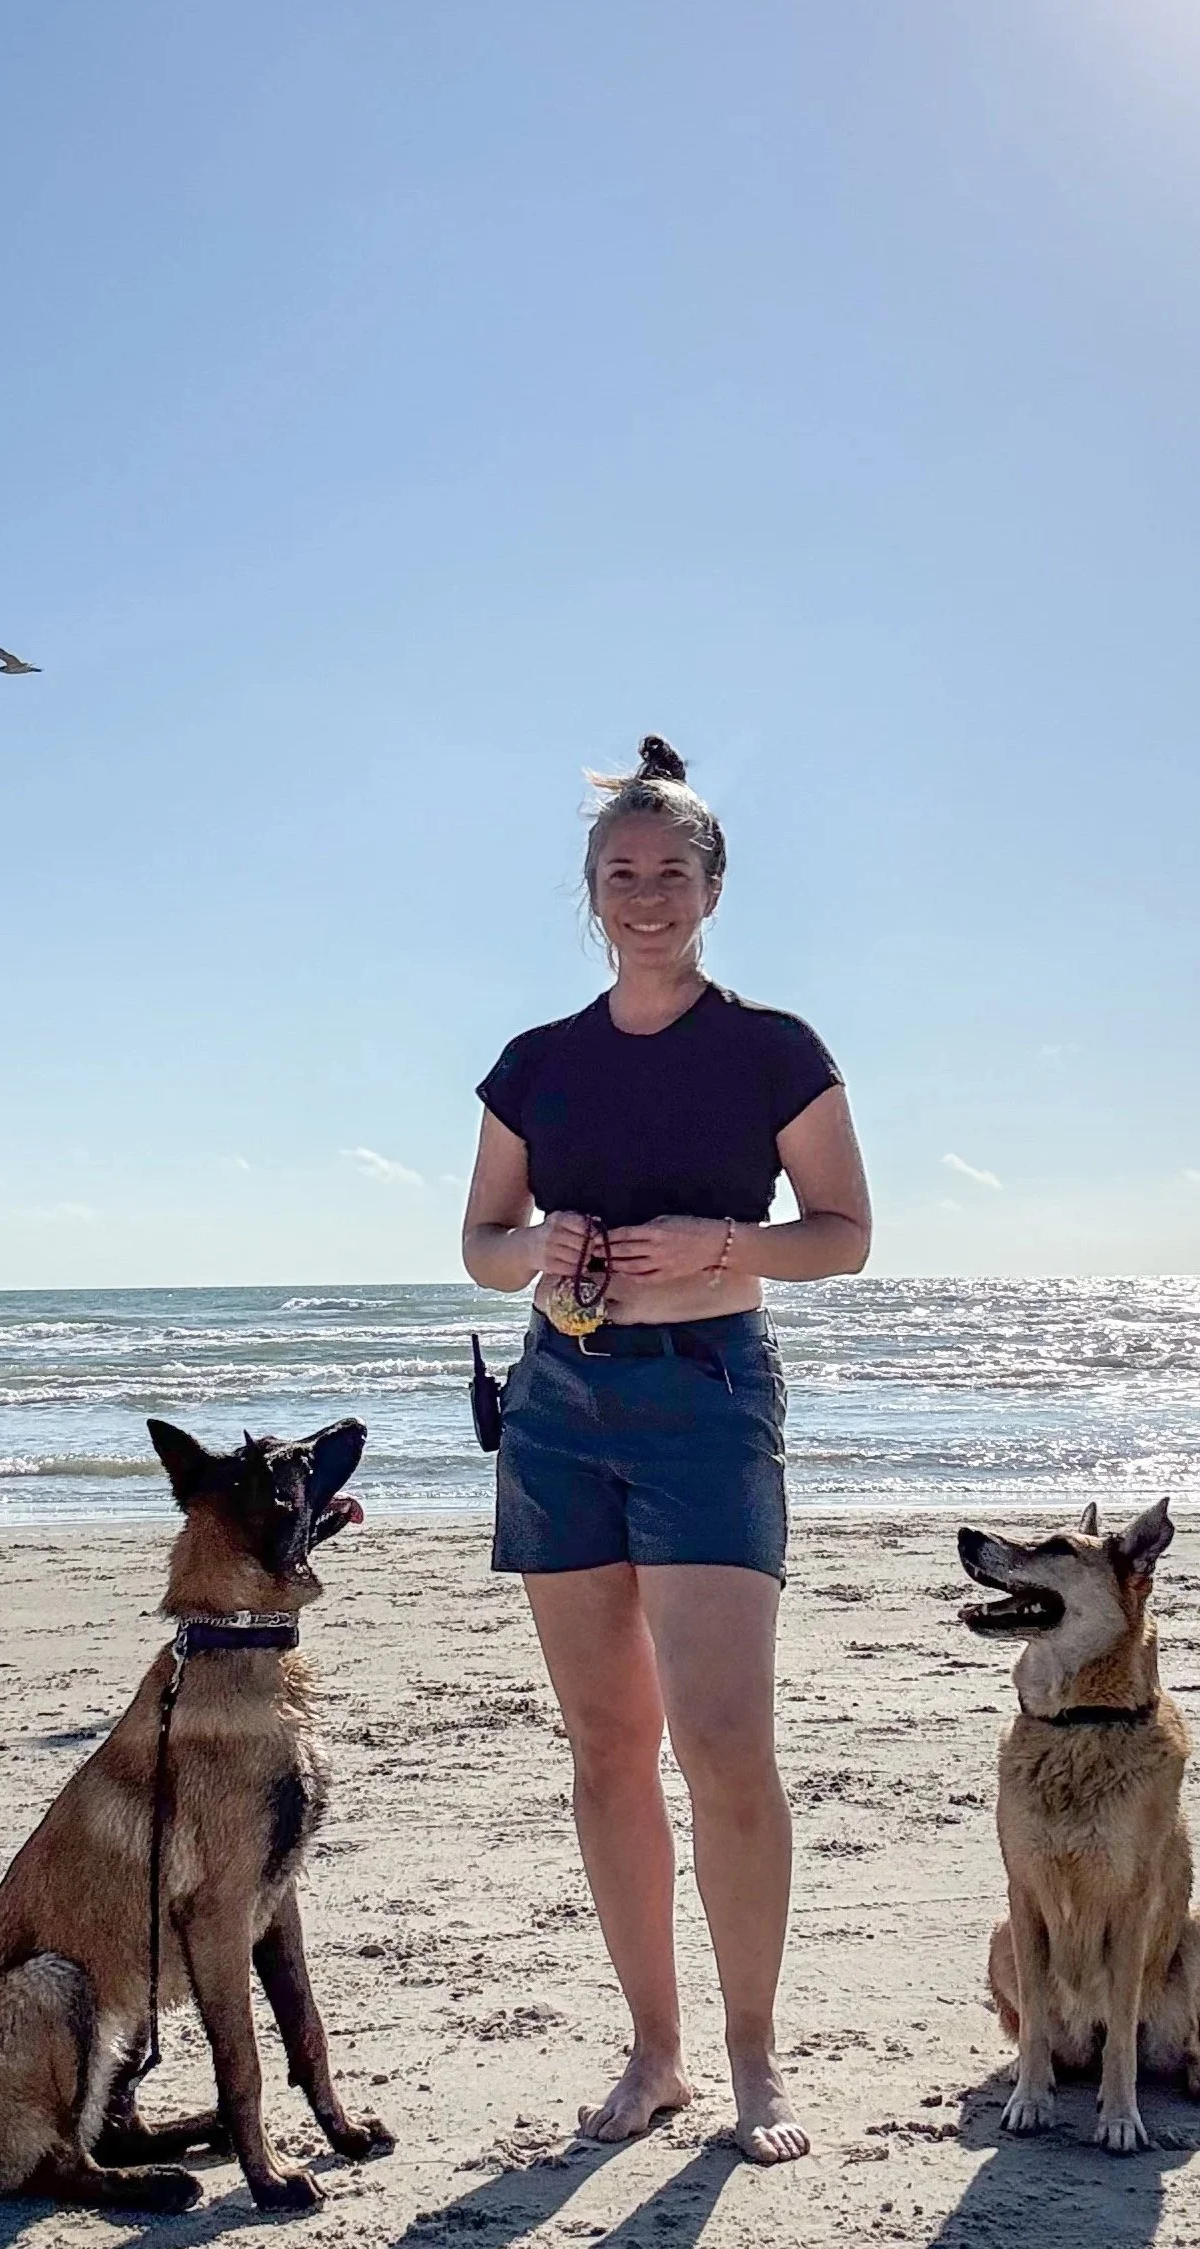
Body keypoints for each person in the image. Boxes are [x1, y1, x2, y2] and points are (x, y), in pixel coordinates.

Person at [461, 737, 872, 2164]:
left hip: (706, 1396)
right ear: (591, 891)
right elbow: (479, 1246)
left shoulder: (771, 1049)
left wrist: (727, 1244)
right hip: (560, 1410)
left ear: (710, 888)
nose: (646, 896)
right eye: (621, 875)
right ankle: (656, 2055)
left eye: (671, 873)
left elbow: (844, 1235)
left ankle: (756, 2061)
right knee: (606, 1747)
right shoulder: (535, 1064)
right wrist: (540, 1254)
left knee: (721, 1742)